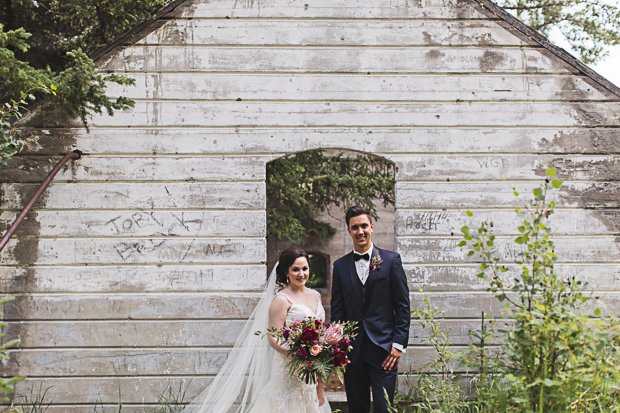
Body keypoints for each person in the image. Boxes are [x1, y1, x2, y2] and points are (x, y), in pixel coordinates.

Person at [181, 248, 331, 413]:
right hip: (289, 370)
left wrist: (320, 386)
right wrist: (299, 356)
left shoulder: (316, 295)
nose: (301, 273)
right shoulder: (281, 300)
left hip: (311, 373)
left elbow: (320, 338)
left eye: (305, 268)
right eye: (295, 269)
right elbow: (274, 339)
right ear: (286, 272)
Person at [331, 206, 411, 413]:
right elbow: (338, 313)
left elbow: (402, 306)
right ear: (349, 231)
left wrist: (398, 345)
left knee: (384, 408)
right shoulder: (339, 266)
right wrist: (340, 349)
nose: (360, 231)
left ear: (372, 227)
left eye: (364, 226)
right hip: (353, 354)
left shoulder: (392, 261)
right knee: (357, 409)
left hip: (384, 351)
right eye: (355, 227)